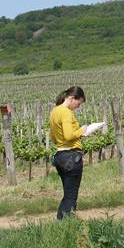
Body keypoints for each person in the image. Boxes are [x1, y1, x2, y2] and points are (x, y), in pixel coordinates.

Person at [49, 85, 89, 220]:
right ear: (71, 98)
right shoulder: (66, 112)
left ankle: (60, 224)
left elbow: (53, 137)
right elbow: (68, 135)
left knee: (67, 195)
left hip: (60, 156)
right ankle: (68, 225)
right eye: (78, 103)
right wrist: (82, 131)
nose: (78, 107)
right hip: (72, 157)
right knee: (71, 197)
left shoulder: (54, 111)